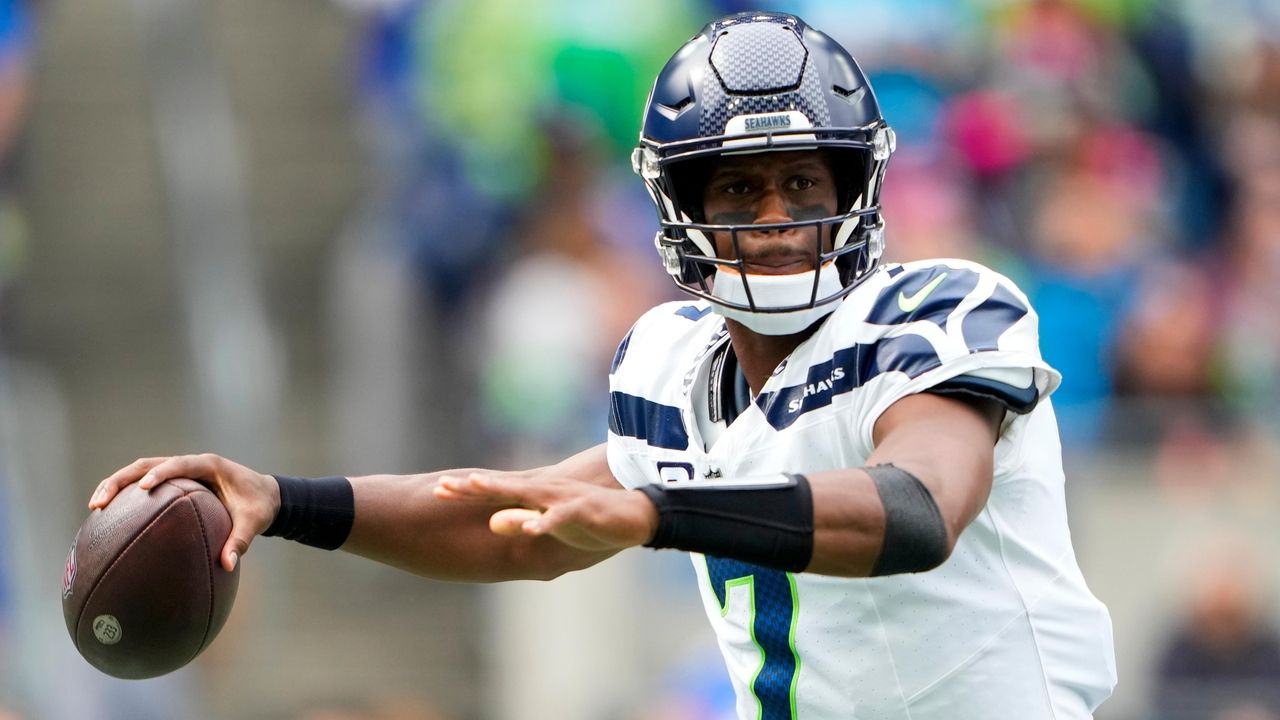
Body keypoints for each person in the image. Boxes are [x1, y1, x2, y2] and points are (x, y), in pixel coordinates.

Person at [89, 11, 1117, 719]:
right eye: (738, 190)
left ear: (854, 185)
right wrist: (283, 499)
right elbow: (509, 522)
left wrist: (661, 514)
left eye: (801, 179)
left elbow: (916, 509)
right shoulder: (674, 367)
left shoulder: (941, 308)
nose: (774, 218)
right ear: (682, 211)